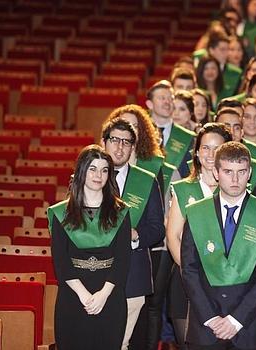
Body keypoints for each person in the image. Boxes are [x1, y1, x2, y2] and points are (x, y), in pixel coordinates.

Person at [181, 141, 256, 349]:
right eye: (228, 171)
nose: (235, 179)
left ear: (250, 172)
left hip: (248, 326)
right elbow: (189, 269)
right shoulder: (197, 213)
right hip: (205, 324)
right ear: (216, 173)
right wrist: (211, 318)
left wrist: (236, 320)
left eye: (241, 172)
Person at [49, 145, 131, 350]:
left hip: (110, 296)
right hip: (73, 297)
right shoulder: (61, 213)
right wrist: (84, 295)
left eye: (104, 170)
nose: (98, 175)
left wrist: (103, 295)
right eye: (92, 168)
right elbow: (61, 262)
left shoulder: (121, 212)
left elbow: (123, 260)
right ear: (81, 172)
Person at [104, 105, 170, 350]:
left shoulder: (146, 180)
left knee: (124, 343)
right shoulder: (86, 176)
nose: (120, 147)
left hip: (133, 274)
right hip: (94, 273)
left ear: (133, 148)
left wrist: (136, 236)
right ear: (104, 142)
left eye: (126, 142)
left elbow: (157, 228)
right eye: (115, 140)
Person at [166, 123, 233, 349]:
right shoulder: (183, 188)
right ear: (196, 152)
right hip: (186, 279)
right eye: (205, 148)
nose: (211, 154)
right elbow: (173, 236)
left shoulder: (237, 189)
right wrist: (191, 272)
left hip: (225, 282)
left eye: (217, 148)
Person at [216, 106, 256, 202]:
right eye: (226, 127)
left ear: (242, 132)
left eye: (236, 128)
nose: (231, 132)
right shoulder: (205, 162)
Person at [146, 80, 195, 179]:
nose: (167, 102)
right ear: (150, 104)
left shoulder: (188, 138)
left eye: (170, 98)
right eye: (162, 98)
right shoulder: (140, 133)